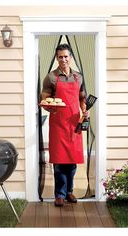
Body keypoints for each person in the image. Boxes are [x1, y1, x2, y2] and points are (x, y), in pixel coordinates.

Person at [41, 43, 87, 207]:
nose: (63, 59)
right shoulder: (51, 77)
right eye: (60, 57)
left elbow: (82, 97)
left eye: (66, 56)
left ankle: (69, 191)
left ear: (71, 57)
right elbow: (45, 99)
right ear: (56, 58)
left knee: (72, 160)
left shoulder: (78, 77)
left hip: (74, 123)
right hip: (58, 124)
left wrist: (84, 109)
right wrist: (49, 107)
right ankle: (59, 194)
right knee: (60, 161)